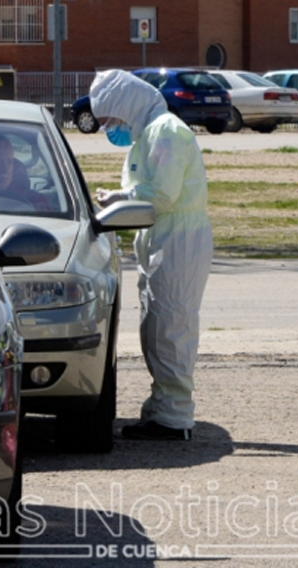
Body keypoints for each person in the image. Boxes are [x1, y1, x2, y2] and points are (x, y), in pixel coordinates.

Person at [90, 69, 213, 441]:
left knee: (171, 326)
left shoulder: (166, 131)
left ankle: (174, 419)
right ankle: (163, 410)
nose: (111, 128)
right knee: (157, 327)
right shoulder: (149, 134)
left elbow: (164, 194)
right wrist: (122, 197)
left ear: (127, 106)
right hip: (162, 236)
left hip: (178, 238)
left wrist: (121, 197)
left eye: (112, 119)